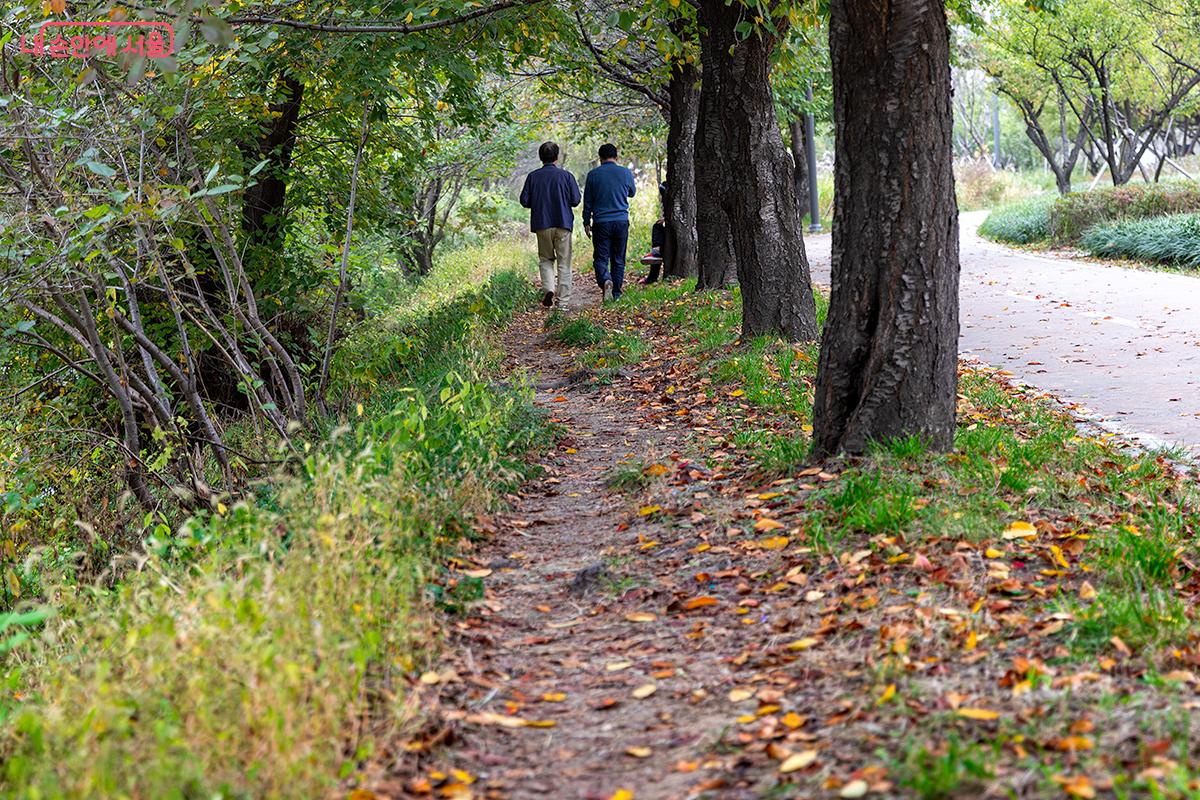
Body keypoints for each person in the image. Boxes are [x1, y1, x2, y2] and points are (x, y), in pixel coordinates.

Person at [519, 141, 581, 309]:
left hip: (542, 224)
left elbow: (524, 200)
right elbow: (575, 200)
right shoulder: (566, 176)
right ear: (556, 157)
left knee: (545, 259)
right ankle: (562, 303)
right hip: (563, 224)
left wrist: (539, 201)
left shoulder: (533, 176)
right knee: (564, 263)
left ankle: (548, 289)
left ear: (541, 157)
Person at [582, 143, 636, 301]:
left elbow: (588, 202)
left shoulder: (593, 175)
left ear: (600, 158)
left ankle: (606, 280)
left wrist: (586, 222)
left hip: (601, 222)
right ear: (616, 157)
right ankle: (617, 293)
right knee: (618, 258)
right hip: (621, 221)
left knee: (601, 258)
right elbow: (632, 192)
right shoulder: (625, 172)